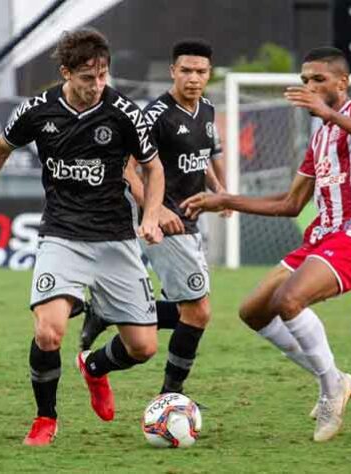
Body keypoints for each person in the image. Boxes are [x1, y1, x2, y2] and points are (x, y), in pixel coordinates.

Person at [0, 28, 165, 446]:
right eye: (88, 78)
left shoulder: (124, 112)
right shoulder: (38, 110)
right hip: (62, 235)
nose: (98, 86)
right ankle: (45, 418)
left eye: (103, 75)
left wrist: (152, 213)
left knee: (143, 348)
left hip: (114, 238)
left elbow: (152, 168)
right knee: (48, 332)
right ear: (66, 73)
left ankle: (95, 367)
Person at [181, 47, 351, 442]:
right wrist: (225, 200)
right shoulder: (319, 139)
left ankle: (332, 386)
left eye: (318, 80)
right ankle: (335, 378)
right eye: (305, 81)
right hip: (322, 235)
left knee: (288, 301)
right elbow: (289, 204)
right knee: (253, 311)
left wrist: (331, 112)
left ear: (341, 83)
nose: (309, 87)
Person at [79, 39, 226, 397]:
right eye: (186, 70)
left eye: (201, 72)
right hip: (164, 224)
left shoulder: (206, 110)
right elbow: (127, 168)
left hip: (191, 221)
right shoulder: (155, 116)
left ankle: (108, 313)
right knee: (198, 312)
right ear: (173, 71)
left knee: (186, 310)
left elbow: (205, 156)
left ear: (209, 74)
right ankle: (169, 397)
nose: (193, 78)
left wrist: (221, 191)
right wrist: (154, 210)